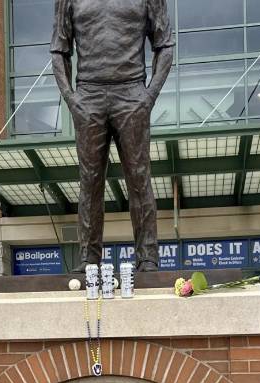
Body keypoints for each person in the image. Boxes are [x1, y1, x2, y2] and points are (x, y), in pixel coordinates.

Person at [50, 0, 175, 272]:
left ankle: (148, 257)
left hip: (132, 92)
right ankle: (89, 259)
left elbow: (165, 46)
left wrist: (149, 96)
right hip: (88, 94)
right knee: (89, 181)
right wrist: (72, 100)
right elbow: (59, 51)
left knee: (139, 177)